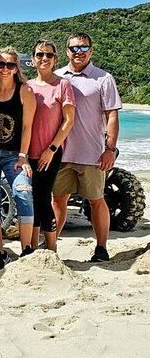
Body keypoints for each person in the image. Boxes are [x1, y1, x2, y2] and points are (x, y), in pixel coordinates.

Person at [52, 33, 121, 262]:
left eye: (83, 48)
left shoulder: (103, 78)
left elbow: (112, 115)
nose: (78, 52)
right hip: (61, 153)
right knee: (58, 199)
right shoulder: (58, 76)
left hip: (92, 154)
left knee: (96, 200)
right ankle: (51, 246)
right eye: (74, 48)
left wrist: (109, 149)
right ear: (67, 51)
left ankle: (101, 248)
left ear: (91, 51)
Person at [0, 46, 36, 272]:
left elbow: (28, 126)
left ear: (16, 68)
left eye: (10, 65)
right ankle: (0, 253)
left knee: (23, 192)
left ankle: (26, 251)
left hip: (15, 155)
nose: (5, 69)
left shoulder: (25, 91)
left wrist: (24, 156)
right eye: (0, 64)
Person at [27, 40, 75, 254]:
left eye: (48, 55)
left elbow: (68, 121)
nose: (44, 58)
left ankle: (52, 249)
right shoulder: (27, 86)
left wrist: (52, 149)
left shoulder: (63, 84)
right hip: (28, 154)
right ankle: (34, 247)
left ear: (55, 59)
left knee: (44, 198)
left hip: (51, 152)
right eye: (40, 54)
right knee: (33, 198)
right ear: (33, 59)